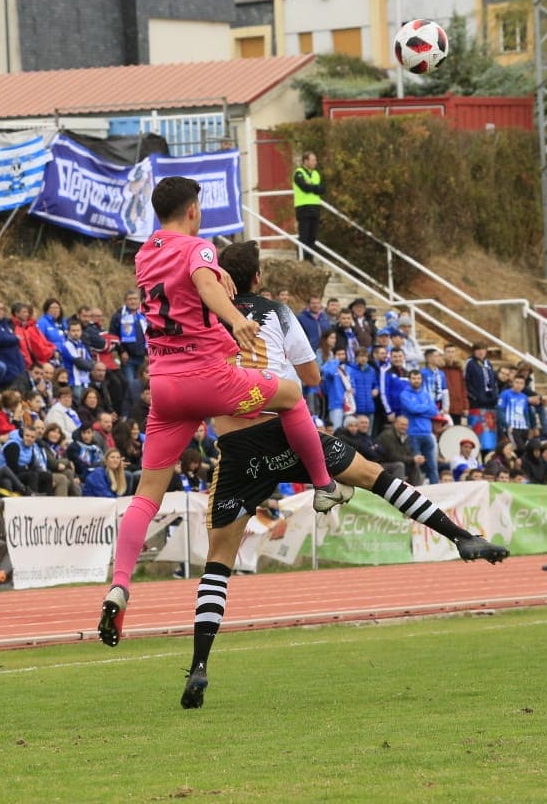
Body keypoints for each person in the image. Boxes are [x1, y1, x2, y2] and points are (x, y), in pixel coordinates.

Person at [178, 239, 508, 708]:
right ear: (257, 279)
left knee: (219, 561)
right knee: (375, 475)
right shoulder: (275, 312)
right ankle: (459, 536)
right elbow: (311, 379)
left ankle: (199, 666)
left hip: (237, 445)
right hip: (284, 428)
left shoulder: (204, 316)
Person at [97, 179, 352, 648]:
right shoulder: (199, 247)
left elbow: (195, 283)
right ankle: (323, 486)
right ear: (194, 209)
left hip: (165, 387)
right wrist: (236, 319)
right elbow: (200, 281)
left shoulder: (144, 254)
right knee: (293, 394)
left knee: (146, 494)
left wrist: (215, 281)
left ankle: (120, 584)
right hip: (206, 378)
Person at [291, 151, 325, 263]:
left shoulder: (316, 174)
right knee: (304, 235)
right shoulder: (299, 173)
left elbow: (322, 189)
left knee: (312, 236)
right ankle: (302, 258)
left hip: (315, 207)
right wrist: (315, 188)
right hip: (303, 207)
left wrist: (312, 187)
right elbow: (304, 187)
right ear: (305, 161)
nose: (315, 162)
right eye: (313, 160)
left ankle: (310, 259)